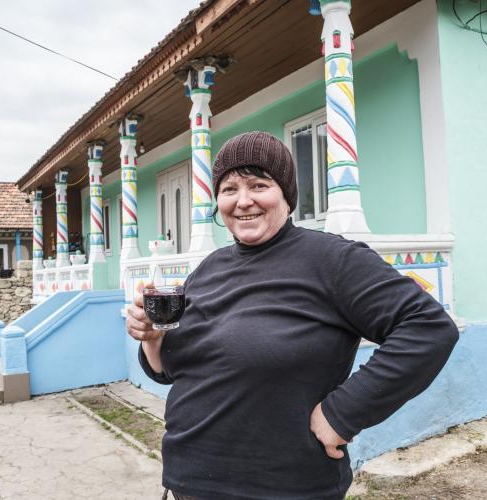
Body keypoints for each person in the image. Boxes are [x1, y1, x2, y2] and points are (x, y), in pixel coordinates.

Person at [126, 131, 459, 500]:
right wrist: (153, 340)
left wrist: (342, 414)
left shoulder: (333, 260)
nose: (243, 201)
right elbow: (169, 372)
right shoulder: (208, 268)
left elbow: (428, 328)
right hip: (185, 483)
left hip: (282, 487)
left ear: (286, 194)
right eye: (229, 189)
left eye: (259, 185)